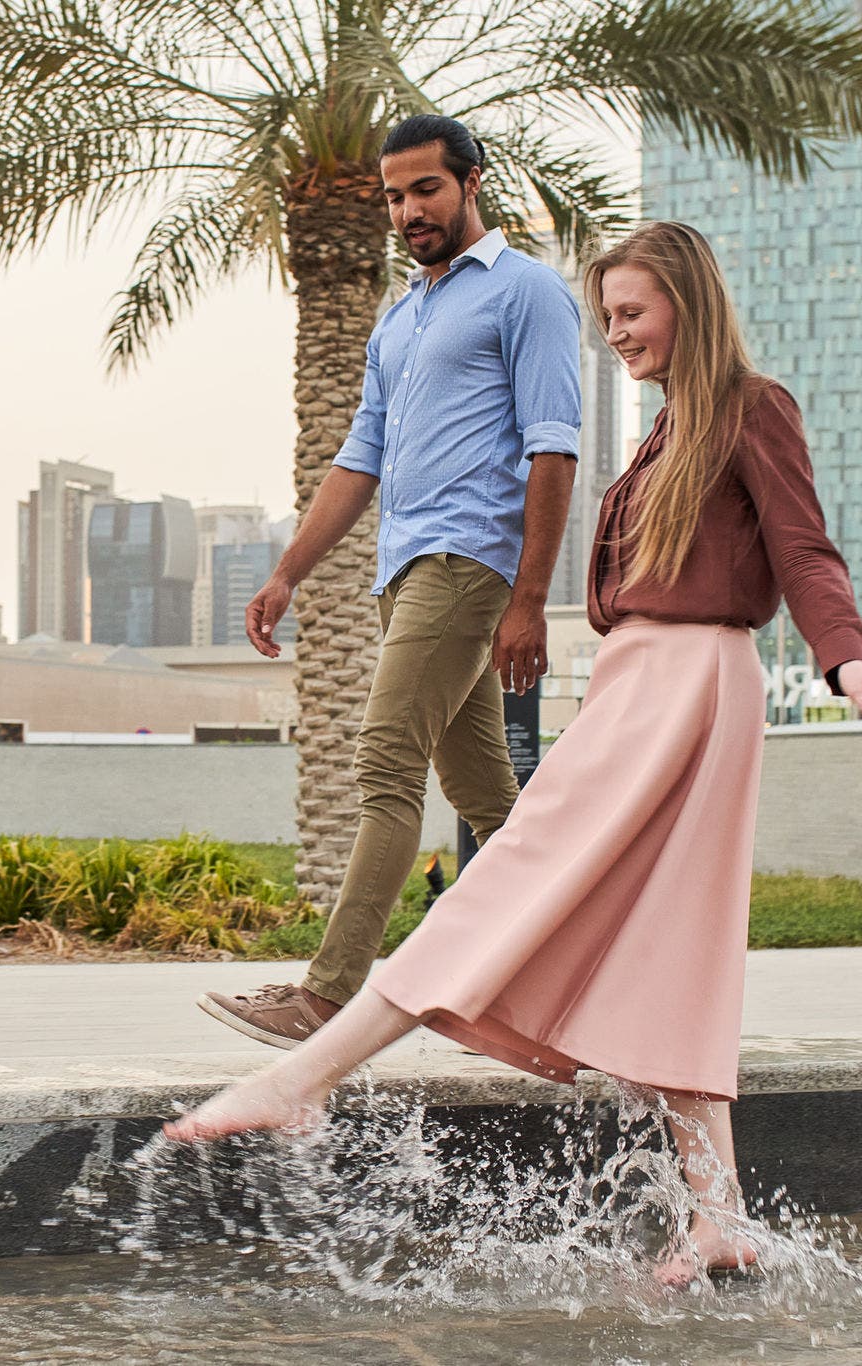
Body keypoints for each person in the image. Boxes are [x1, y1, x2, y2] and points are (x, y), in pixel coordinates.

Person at [165, 221, 862, 1287]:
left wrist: (845, 664)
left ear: (687, 307)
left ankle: (304, 1075)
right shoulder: (666, 433)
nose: (615, 334)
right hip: (646, 682)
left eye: (632, 313)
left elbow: (802, 549)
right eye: (605, 317)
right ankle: (719, 1215)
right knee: (668, 938)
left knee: (501, 875)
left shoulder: (751, 407)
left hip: (684, 684)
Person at [201, 113, 582, 1049]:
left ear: (471, 183)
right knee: (493, 800)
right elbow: (358, 458)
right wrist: (287, 573)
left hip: (469, 564)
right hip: (403, 569)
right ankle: (586, 979)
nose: (408, 211)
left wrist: (528, 599)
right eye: (393, 197)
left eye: (425, 190)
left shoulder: (527, 293)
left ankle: (326, 999)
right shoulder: (402, 315)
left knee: (383, 765)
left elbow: (553, 448)